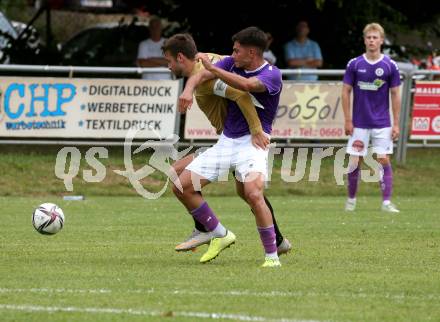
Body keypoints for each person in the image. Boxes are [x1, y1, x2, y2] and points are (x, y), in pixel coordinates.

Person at [161, 33, 291, 256]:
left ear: (181, 57)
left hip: (239, 139)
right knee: (245, 192)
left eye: (169, 61)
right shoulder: (210, 60)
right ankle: (273, 241)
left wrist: (256, 130)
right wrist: (188, 89)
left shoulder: (212, 78)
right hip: (228, 138)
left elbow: (242, 94)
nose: (168, 66)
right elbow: (201, 73)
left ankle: (212, 230)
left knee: (249, 193)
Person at [341, 22, 401, 213]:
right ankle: (351, 201)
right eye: (369, 37)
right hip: (359, 123)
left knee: (383, 160)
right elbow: (345, 91)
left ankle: (386, 203)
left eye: (375, 37)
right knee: (354, 161)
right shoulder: (355, 64)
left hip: (382, 123)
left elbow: (396, 94)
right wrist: (348, 120)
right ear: (364, 40)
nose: (372, 40)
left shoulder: (390, 65)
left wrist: (396, 123)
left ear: (381, 40)